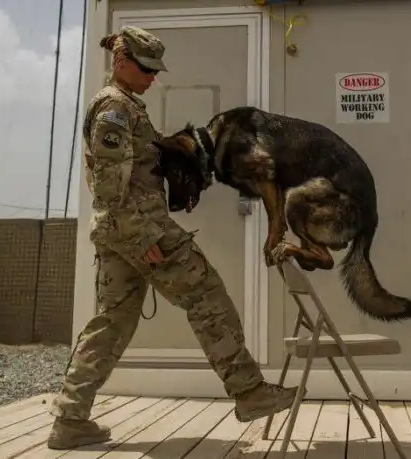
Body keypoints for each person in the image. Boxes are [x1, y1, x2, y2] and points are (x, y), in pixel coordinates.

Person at [46, 25, 298, 451]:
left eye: (155, 70)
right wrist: (143, 235)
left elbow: (132, 169)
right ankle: (250, 391)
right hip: (139, 228)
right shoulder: (114, 108)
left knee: (112, 322)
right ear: (120, 61)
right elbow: (108, 184)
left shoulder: (126, 105)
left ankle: (70, 420)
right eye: (146, 69)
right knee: (206, 293)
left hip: (119, 232)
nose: (152, 77)